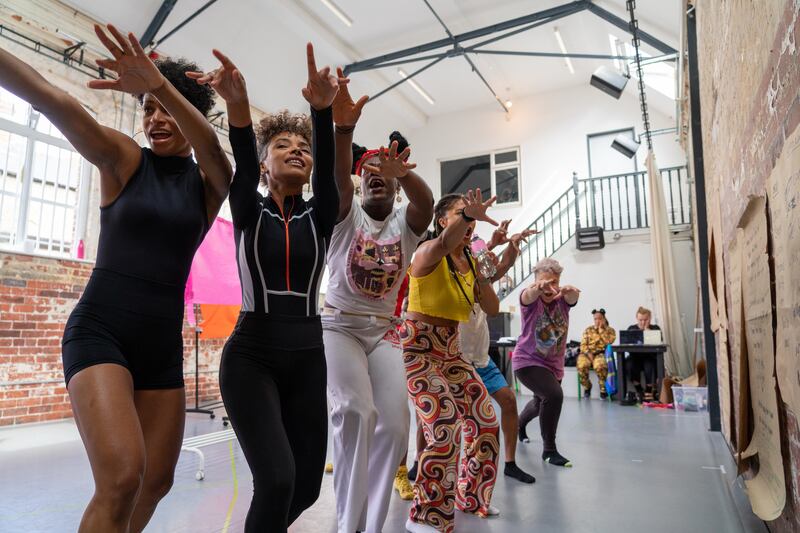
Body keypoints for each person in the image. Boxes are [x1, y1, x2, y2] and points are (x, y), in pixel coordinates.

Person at [0, 26, 232, 532]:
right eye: (146, 109)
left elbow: (212, 146)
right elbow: (51, 97)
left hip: (160, 345)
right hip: (100, 332)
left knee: (157, 481)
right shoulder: (126, 160)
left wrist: (159, 84)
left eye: (164, 108)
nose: (153, 119)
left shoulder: (210, 181)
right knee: (124, 476)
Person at [203, 43, 339, 532]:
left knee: (305, 486)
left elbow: (327, 174)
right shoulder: (248, 205)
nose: (296, 150)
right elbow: (239, 148)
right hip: (252, 356)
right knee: (277, 480)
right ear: (263, 165)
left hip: (308, 355)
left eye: (301, 146)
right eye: (282, 145)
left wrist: (320, 112)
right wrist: (238, 103)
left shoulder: (320, 213)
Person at [323, 71, 433, 533]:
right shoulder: (345, 218)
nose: (375, 182)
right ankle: (348, 523)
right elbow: (338, 183)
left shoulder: (405, 228)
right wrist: (343, 131)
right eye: (367, 176)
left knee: (393, 426)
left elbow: (426, 204)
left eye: (383, 179)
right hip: (339, 326)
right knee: (354, 412)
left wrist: (403, 172)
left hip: (384, 330)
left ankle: (373, 524)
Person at [402, 190, 501, 533]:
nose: (469, 221)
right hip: (418, 348)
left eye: (471, 215)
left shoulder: (470, 261)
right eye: (461, 214)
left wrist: (484, 270)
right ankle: (425, 515)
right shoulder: (428, 251)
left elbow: (492, 308)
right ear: (443, 221)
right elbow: (444, 244)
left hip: (451, 350)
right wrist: (469, 219)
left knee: (486, 421)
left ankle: (470, 496)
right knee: (444, 426)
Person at [458, 222, 538, 487]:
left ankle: (510, 464)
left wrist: (512, 244)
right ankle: (418, 462)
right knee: (443, 418)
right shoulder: (449, 261)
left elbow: (502, 267)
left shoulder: (480, 262)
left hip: (480, 357)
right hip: (454, 358)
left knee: (508, 400)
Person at [515, 258, 580, 468]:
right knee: (553, 395)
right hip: (527, 361)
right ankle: (549, 451)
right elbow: (527, 295)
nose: (548, 287)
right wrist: (537, 288)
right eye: (544, 282)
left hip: (553, 365)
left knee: (538, 404)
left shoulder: (562, 299)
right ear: (535, 282)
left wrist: (571, 291)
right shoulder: (531, 300)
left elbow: (572, 298)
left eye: (554, 282)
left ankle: (519, 425)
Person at [577, 308, 616, 399]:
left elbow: (609, 342)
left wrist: (601, 330)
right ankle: (587, 387)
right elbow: (582, 345)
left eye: (600, 318)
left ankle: (603, 389)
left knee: (600, 366)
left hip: (601, 353)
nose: (597, 321)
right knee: (582, 365)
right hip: (587, 353)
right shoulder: (588, 330)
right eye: (595, 319)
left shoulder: (610, 330)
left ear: (604, 318)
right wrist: (588, 353)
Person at [626, 306, 662, 401]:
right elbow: (626, 345)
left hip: (649, 357)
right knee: (628, 364)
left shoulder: (655, 328)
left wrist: (648, 332)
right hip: (635, 357)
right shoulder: (631, 328)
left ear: (649, 318)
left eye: (645, 320)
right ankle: (639, 389)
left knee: (649, 365)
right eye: (640, 320)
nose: (643, 322)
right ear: (637, 319)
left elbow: (660, 343)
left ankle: (649, 389)